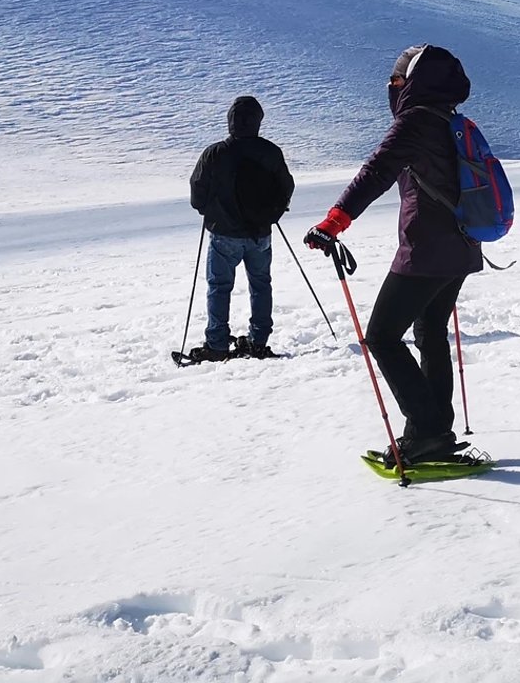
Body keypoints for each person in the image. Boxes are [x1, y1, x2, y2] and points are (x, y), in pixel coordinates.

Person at [306, 44, 479, 464]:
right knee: (430, 333)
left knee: (382, 337)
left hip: (426, 249)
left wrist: (334, 221)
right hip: (462, 246)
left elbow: (376, 171)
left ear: (412, 83)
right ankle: (437, 430)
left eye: (397, 79)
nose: (391, 85)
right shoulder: (452, 121)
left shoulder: (415, 121)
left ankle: (426, 431)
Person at [188, 95, 295, 361]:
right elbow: (286, 187)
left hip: (223, 234)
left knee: (219, 286)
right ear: (258, 121)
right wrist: (272, 215)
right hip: (260, 234)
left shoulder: (215, 153)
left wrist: (209, 211)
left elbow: (197, 193)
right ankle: (258, 341)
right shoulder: (271, 151)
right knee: (261, 285)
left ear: (230, 121)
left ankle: (217, 345)